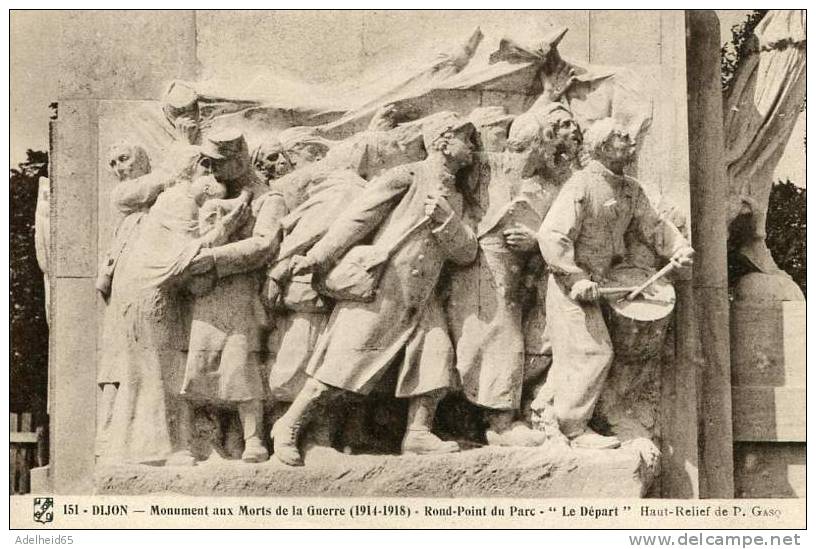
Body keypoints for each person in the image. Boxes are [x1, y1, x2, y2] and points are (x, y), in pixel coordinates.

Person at [270, 112, 478, 466]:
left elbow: (467, 251)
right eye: (466, 138)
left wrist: (448, 221)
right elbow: (357, 218)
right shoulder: (407, 176)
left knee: (435, 357)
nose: (472, 147)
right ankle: (288, 424)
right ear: (443, 141)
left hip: (421, 296)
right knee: (343, 363)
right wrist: (319, 256)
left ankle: (418, 433)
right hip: (383, 287)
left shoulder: (456, 198)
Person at [537, 118, 694, 449]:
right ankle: (573, 429)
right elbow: (552, 235)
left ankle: (564, 418)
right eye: (622, 137)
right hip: (570, 286)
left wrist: (678, 248)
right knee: (594, 352)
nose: (629, 141)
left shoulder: (631, 190)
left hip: (605, 283)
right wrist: (575, 278)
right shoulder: (581, 185)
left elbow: (655, 226)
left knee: (593, 354)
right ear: (603, 146)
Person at [101, 150, 248, 465]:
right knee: (161, 371)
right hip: (152, 297)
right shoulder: (178, 200)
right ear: (198, 170)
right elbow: (188, 258)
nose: (217, 183)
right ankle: (161, 451)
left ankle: (160, 447)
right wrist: (227, 229)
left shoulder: (172, 201)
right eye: (211, 174)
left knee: (155, 372)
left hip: (150, 294)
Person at [181, 130, 287, 463]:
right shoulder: (212, 196)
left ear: (238, 161)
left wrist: (216, 257)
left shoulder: (268, 199)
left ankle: (254, 438)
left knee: (240, 366)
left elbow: (263, 245)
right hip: (207, 295)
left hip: (241, 294)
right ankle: (213, 439)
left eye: (216, 163)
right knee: (202, 366)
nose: (210, 170)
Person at [96, 142, 152, 456]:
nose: (119, 167)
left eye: (125, 158)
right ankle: (107, 433)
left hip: (143, 295)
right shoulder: (129, 208)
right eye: (113, 162)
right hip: (122, 298)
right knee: (114, 364)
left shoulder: (153, 202)